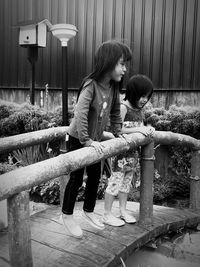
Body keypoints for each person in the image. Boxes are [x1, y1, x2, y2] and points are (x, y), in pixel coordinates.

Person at [61, 40, 132, 238]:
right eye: (122, 64)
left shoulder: (113, 88)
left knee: (95, 176)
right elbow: (80, 113)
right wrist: (86, 140)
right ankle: (66, 215)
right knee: (76, 178)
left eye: (125, 64)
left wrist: (117, 133)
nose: (125, 69)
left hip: (94, 140)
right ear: (108, 63)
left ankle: (89, 211)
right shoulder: (91, 85)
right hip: (77, 138)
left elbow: (116, 112)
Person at [102, 74, 155, 227]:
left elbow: (140, 127)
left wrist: (146, 129)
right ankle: (106, 214)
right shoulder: (123, 107)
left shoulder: (138, 109)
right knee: (115, 183)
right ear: (133, 92)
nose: (145, 99)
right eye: (142, 96)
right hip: (120, 155)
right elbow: (117, 130)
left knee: (126, 184)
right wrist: (140, 129)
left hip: (133, 155)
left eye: (147, 96)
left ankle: (123, 211)